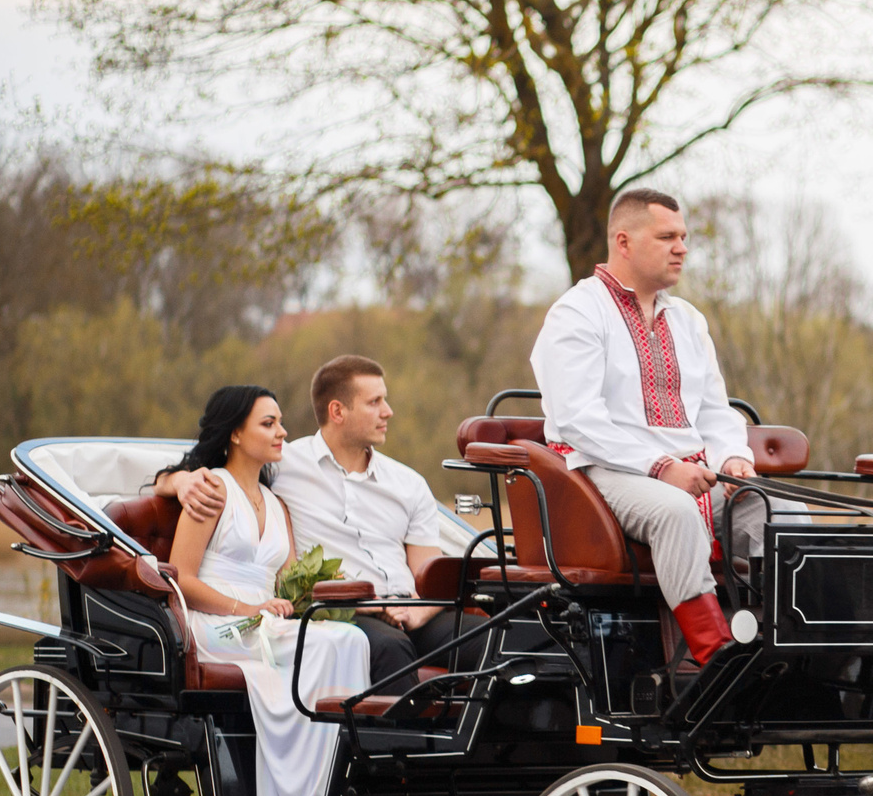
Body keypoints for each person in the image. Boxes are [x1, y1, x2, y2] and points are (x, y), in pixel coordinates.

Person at [530, 187, 754, 672]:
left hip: (692, 474)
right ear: (624, 242)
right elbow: (577, 419)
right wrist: (660, 466)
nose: (682, 247)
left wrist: (734, 457)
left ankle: (791, 647)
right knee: (674, 512)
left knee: (777, 511)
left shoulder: (689, 320)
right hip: (603, 474)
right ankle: (714, 660)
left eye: (684, 237)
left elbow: (715, 411)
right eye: (667, 236)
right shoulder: (577, 312)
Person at [162, 386, 371, 796]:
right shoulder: (212, 488)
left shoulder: (277, 505)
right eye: (268, 423)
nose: (282, 432)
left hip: (263, 623)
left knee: (350, 639)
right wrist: (249, 607)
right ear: (236, 433)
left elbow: (288, 581)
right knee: (320, 649)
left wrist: (323, 595)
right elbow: (180, 578)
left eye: (279, 422)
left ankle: (336, 781)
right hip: (213, 625)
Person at [258, 355, 483, 690]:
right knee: (390, 648)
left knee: (497, 642)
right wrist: (174, 482)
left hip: (412, 612)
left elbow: (429, 573)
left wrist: (418, 613)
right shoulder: (283, 465)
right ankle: (403, 743)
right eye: (375, 402)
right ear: (337, 412)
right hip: (347, 613)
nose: (387, 411)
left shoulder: (408, 483)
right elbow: (217, 466)